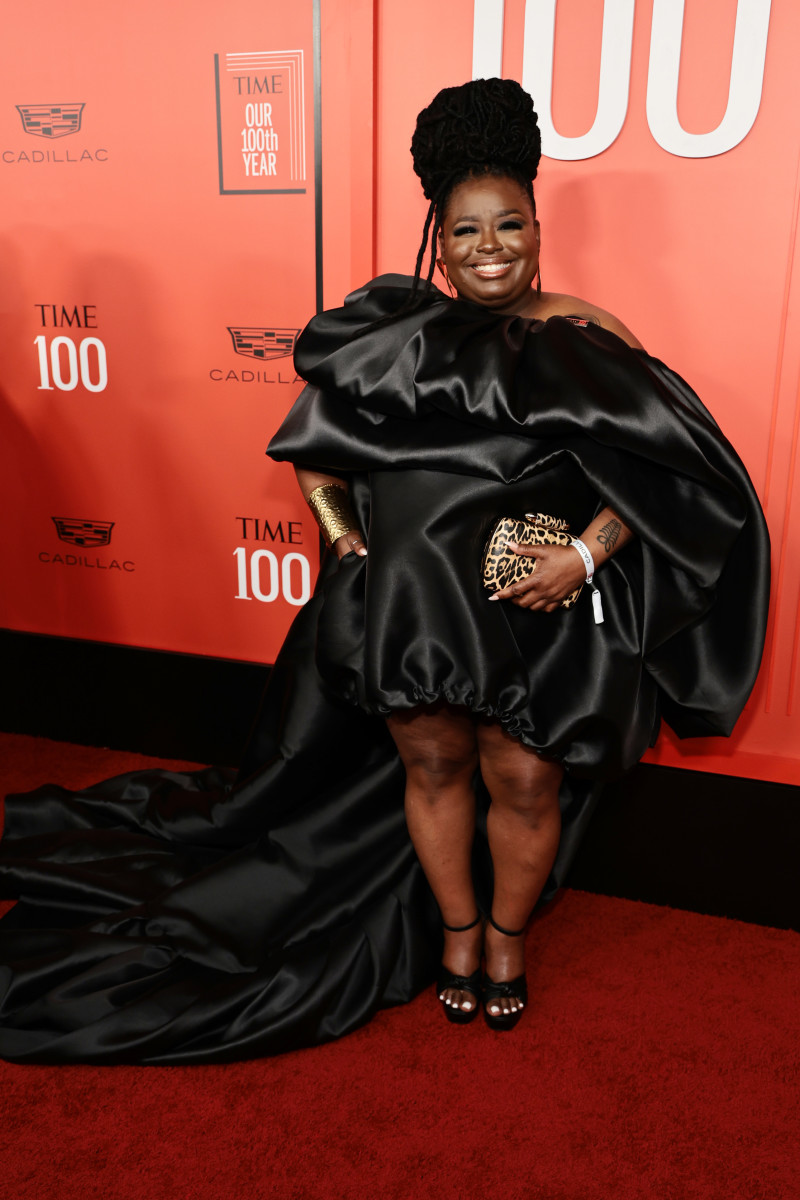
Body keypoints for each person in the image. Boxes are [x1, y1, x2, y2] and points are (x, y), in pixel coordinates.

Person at [0, 80, 769, 1062]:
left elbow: (673, 478)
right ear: (436, 239)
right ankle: (454, 936)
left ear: (536, 225)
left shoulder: (588, 336)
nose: (489, 248)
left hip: (536, 619)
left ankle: (503, 941)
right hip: (417, 610)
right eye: (464, 232)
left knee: (523, 781)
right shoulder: (390, 336)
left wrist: (582, 552)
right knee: (436, 765)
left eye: (508, 226)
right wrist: (345, 538)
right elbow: (316, 454)